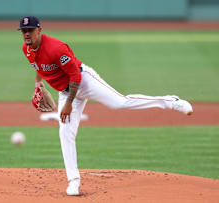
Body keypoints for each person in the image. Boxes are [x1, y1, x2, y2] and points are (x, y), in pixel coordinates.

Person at [18, 16, 193, 196]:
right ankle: (74, 181)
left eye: (30, 30)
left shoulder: (57, 48)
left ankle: (170, 101)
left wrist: (69, 104)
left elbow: (75, 76)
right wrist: (38, 85)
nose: (26, 34)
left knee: (120, 103)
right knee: (65, 132)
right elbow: (38, 66)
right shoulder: (27, 49)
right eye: (23, 31)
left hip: (83, 82)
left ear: (39, 30)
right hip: (65, 92)